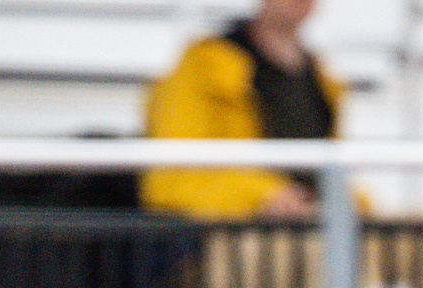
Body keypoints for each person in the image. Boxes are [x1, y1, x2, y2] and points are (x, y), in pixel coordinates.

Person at [140, 0, 345, 219]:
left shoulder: (322, 81)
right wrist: (264, 196)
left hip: (309, 228)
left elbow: (332, 175)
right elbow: (171, 180)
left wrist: (354, 205)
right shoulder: (202, 67)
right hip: (232, 232)